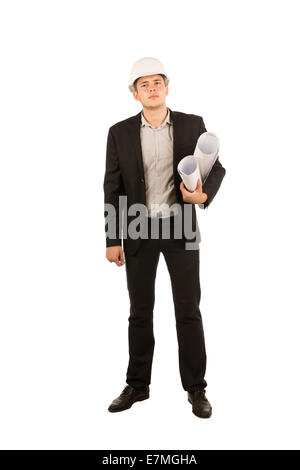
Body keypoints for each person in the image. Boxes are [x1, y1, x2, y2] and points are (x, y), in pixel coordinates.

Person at [103, 57, 226, 418]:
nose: (152, 88)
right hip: (138, 228)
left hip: (180, 227)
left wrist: (202, 195)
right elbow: (113, 187)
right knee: (139, 311)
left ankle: (196, 389)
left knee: (188, 310)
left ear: (166, 87)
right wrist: (112, 238)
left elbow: (215, 167)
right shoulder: (119, 132)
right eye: (145, 84)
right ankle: (137, 386)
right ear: (135, 93)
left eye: (157, 82)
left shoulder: (192, 124)